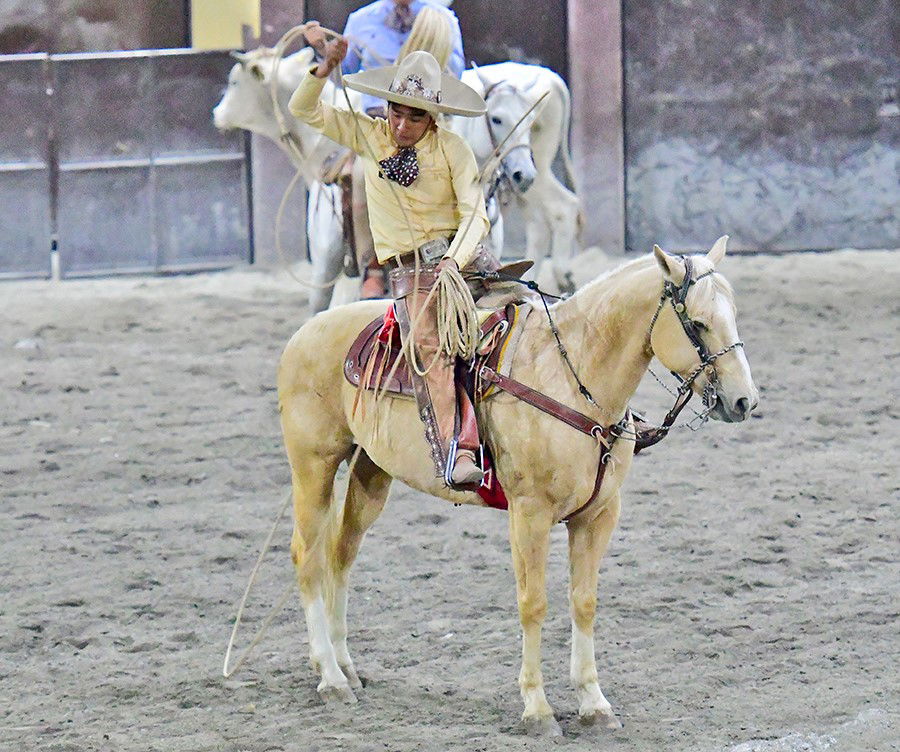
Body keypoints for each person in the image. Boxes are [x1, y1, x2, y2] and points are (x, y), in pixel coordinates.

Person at [289, 25, 490, 486]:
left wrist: (454, 265)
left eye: (413, 118)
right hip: (410, 271)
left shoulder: (455, 150)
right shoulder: (370, 136)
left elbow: (476, 213)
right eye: (396, 114)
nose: (400, 126)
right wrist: (324, 71)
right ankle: (459, 448)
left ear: (432, 118)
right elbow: (302, 109)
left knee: (527, 313)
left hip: (460, 260)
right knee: (432, 348)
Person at [341, 0, 465, 117]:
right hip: (375, 120)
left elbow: (455, 77)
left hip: (425, 118)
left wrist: (435, 43)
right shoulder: (360, 20)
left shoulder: (443, 19)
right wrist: (329, 59)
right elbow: (343, 75)